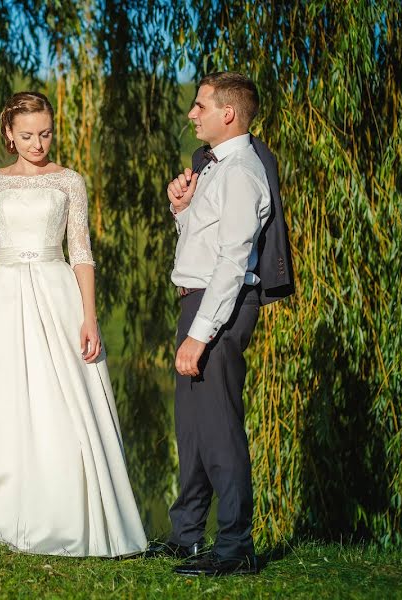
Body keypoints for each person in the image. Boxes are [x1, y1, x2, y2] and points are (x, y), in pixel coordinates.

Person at [0, 91, 147, 557]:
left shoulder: (70, 182)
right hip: (4, 296)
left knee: (59, 401)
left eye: (44, 133)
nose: (37, 143)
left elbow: (81, 252)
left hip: (54, 290)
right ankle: (6, 507)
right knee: (6, 400)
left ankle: (65, 513)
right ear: (9, 134)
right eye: (26, 135)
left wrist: (89, 317)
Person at [145, 71, 292, 576]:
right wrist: (181, 209)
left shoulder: (241, 171)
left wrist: (200, 334)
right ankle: (186, 536)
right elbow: (202, 245)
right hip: (199, 300)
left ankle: (235, 548)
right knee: (195, 431)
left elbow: (232, 262)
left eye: (200, 105)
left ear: (227, 113)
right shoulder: (215, 168)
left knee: (221, 429)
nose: (192, 114)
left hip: (219, 309)